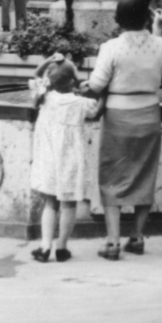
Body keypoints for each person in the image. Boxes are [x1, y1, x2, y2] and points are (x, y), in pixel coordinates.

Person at [84, 0, 162, 260]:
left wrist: (82, 86)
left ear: (119, 19)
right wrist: (157, 30)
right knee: (145, 174)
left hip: (119, 116)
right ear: (146, 17)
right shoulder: (161, 45)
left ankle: (113, 241)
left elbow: (96, 85)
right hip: (149, 113)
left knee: (112, 177)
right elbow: (158, 58)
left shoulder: (111, 47)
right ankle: (137, 236)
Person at [27, 54, 99, 263]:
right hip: (70, 163)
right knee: (68, 204)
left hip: (49, 161)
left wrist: (50, 60)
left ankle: (44, 246)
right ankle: (62, 247)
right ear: (71, 81)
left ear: (49, 80)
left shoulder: (44, 98)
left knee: (50, 204)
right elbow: (96, 109)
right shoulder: (80, 103)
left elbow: (36, 74)